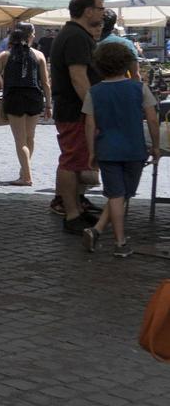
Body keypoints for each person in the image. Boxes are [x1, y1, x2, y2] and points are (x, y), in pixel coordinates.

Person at [82, 41, 159, 256]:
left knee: (116, 194)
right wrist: (155, 146)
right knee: (124, 194)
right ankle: (118, 241)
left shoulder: (94, 92)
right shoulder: (139, 88)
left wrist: (91, 151)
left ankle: (106, 235)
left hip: (107, 150)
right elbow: (152, 120)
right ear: (126, 62)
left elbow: (90, 124)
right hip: (134, 150)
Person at [49, 0, 107, 231]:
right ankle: (72, 215)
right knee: (71, 161)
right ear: (88, 11)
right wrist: (94, 109)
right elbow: (78, 77)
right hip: (75, 110)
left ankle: (75, 209)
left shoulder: (75, 34)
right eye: (101, 8)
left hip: (73, 109)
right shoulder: (75, 36)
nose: (103, 14)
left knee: (74, 160)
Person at [0, 25, 50, 186]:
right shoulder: (39, 55)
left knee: (20, 141)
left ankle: (26, 176)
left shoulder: (5, 56)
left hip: (14, 98)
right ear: (29, 37)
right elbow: (46, 83)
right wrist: (49, 106)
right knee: (29, 137)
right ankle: (23, 171)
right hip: (35, 97)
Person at [98, 10, 141, 79]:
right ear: (114, 23)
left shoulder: (89, 43)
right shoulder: (127, 44)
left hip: (94, 87)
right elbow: (135, 74)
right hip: (123, 87)